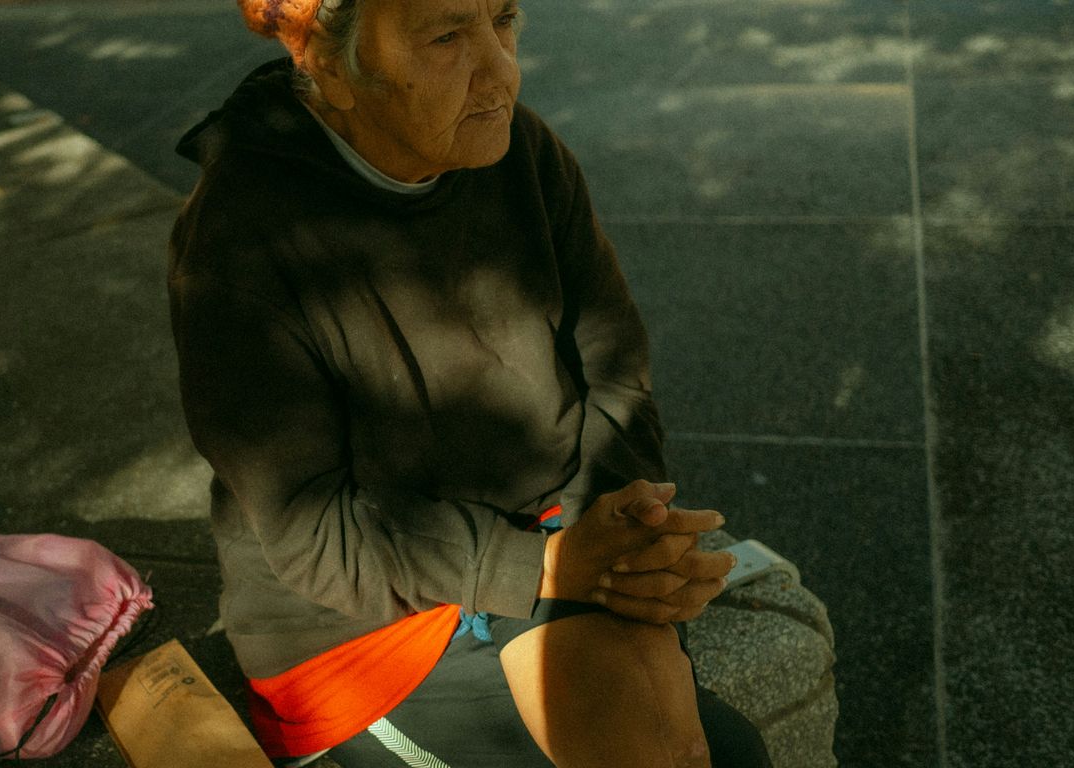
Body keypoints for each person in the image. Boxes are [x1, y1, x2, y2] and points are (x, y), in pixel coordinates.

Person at [168, 1, 773, 766]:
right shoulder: (241, 242)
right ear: (328, 62)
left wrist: (629, 533)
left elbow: (614, 372)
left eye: (505, 19)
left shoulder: (524, 153)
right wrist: (547, 568)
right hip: (367, 628)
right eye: (448, 36)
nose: (501, 71)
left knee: (722, 752)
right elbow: (316, 537)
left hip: (546, 530)